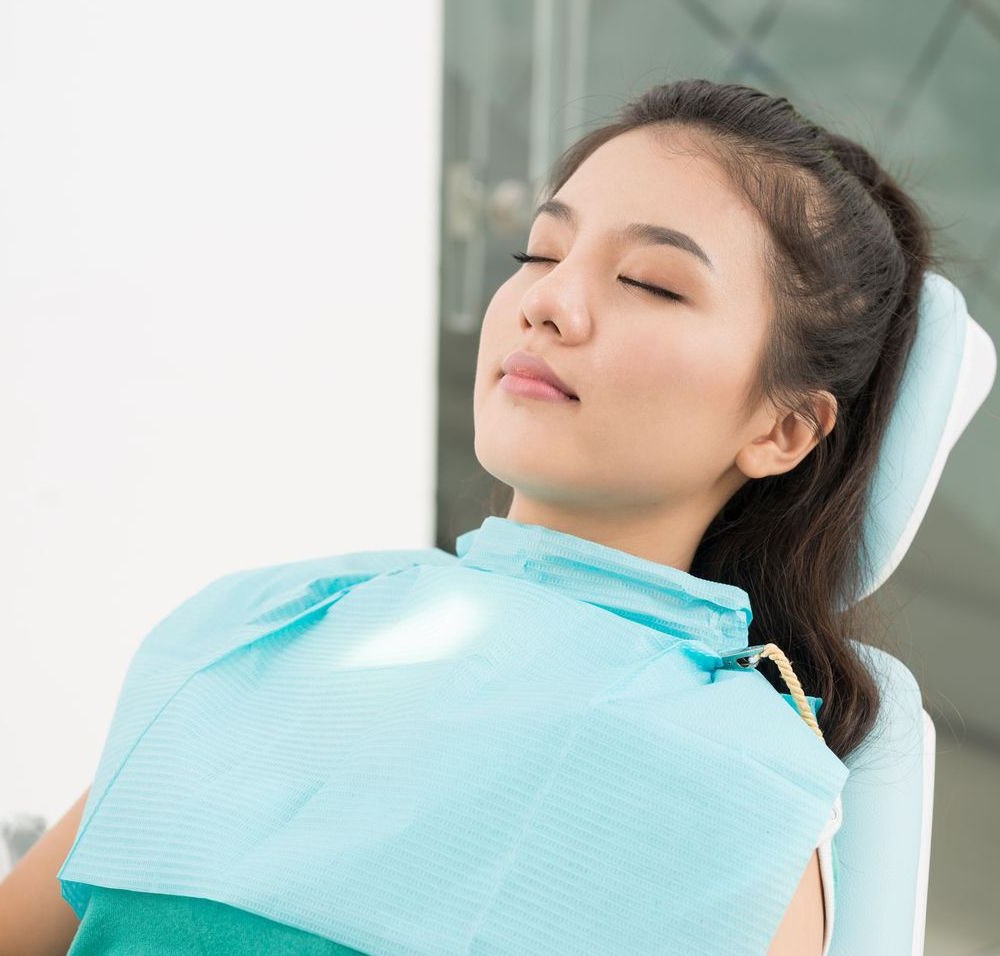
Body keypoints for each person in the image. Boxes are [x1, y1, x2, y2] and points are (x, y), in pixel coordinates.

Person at [0, 78, 936, 956]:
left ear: (784, 427)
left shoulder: (738, 787)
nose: (549, 302)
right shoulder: (269, 621)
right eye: (540, 252)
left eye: (650, 282)